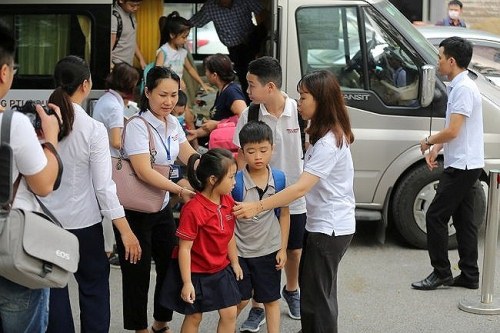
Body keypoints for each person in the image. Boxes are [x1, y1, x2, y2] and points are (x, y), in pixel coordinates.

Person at [234, 69, 356, 333]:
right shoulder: (321, 134)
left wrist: (258, 205)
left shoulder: (328, 142)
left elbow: (300, 188)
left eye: (303, 97)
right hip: (324, 224)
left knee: (319, 296)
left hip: (330, 227)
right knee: (313, 290)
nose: (298, 102)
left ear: (321, 100)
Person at [40, 55, 141, 333]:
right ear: (86, 84)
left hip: (47, 225)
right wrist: (125, 230)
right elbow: (103, 187)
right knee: (94, 288)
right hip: (85, 226)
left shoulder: (39, 123)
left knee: (55, 289)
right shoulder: (93, 129)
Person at [117, 66, 197, 333]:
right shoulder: (138, 126)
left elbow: (187, 153)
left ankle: (161, 321)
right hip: (135, 210)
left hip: (160, 206)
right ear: (147, 92)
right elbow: (143, 171)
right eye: (163, 94)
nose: (169, 101)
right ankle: (139, 328)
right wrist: (178, 189)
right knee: (136, 273)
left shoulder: (172, 122)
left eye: (174, 95)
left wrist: (208, 167)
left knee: (171, 262)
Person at [232, 56, 306, 331]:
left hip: (292, 194)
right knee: (256, 252)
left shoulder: (298, 112)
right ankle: (257, 306)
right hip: (254, 197)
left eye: (252, 86)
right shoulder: (250, 114)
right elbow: (240, 157)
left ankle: (292, 289)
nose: (248, 92)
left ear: (270, 86)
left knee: (293, 250)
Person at [0, 20, 62, 333]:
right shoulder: (12, 125)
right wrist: (49, 138)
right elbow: (44, 184)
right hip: (10, 251)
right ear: (4, 73)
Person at [412, 36, 484, 291]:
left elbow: (453, 131)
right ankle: (469, 274)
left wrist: (427, 141)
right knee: (464, 220)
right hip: (464, 161)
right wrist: (437, 148)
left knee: (435, 216)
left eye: (440, 57)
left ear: (451, 61)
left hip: (463, 165)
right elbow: (453, 129)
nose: (438, 61)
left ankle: (441, 272)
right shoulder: (459, 85)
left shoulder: (464, 89)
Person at [160, 148, 242, 333]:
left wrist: (235, 262)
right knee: (195, 316)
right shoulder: (193, 209)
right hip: (195, 271)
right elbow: (184, 249)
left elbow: (228, 235)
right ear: (213, 179)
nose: (234, 182)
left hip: (220, 268)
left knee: (230, 312)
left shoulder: (227, 201)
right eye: (231, 177)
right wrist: (187, 282)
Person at [234, 121, 290, 333]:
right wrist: (231, 258)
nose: (258, 156)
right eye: (251, 151)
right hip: (241, 253)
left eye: (263, 150)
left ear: (272, 149)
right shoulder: (235, 182)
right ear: (242, 152)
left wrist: (282, 249)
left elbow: (284, 214)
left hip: (270, 249)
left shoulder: (279, 178)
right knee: (238, 301)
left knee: (271, 300)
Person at [92, 62, 140, 264]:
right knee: (112, 205)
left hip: (103, 159)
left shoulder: (107, 99)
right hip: (111, 162)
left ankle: (107, 248)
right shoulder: (114, 106)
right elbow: (116, 140)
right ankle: (107, 249)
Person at [189, 0, 265, 102]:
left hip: (251, 39)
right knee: (243, 74)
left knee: (254, 72)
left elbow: (263, 12)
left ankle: (256, 99)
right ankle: (249, 102)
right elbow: (194, 22)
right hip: (234, 47)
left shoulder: (244, 1)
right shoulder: (211, 7)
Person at [187, 53, 247, 146]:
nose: (205, 74)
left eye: (206, 71)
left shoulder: (231, 92)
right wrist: (196, 133)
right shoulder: (222, 91)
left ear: (214, 75)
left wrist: (217, 124)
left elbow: (244, 118)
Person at [156, 12, 211, 93]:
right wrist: (176, 80)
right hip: (166, 90)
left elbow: (190, 69)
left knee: (185, 106)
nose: (185, 40)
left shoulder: (182, 52)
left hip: (179, 89)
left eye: (187, 37)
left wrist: (202, 84)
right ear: (172, 35)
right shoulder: (164, 51)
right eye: (183, 37)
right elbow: (157, 72)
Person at [111, 0, 147, 69]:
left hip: (128, 65)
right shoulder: (114, 18)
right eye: (132, 5)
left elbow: (130, 39)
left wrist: (141, 59)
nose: (135, 8)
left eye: (138, 5)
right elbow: (109, 47)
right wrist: (111, 67)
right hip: (117, 66)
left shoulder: (131, 14)